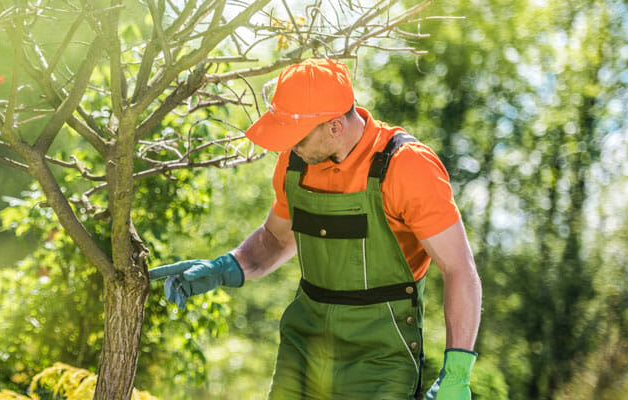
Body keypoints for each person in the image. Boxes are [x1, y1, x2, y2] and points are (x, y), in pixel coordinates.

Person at [149, 58, 482, 400]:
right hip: (303, 350)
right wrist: (224, 268)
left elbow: (459, 269)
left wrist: (456, 372)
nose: (289, 146)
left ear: (335, 126)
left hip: (379, 361)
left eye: (296, 137)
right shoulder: (298, 161)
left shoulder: (405, 166)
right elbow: (276, 239)